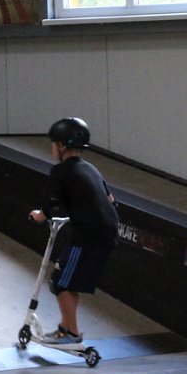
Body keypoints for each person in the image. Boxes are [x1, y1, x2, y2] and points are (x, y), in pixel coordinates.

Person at [28, 117, 119, 346]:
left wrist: (38, 215)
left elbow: (47, 207)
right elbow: (110, 200)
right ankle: (65, 328)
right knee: (67, 280)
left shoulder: (60, 172)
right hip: (105, 230)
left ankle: (72, 334)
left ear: (62, 146)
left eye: (53, 143)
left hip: (88, 234)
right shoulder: (90, 168)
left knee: (60, 282)